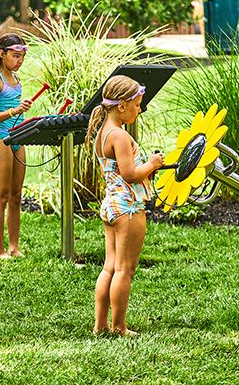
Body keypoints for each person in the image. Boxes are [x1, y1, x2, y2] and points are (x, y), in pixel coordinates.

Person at [85, 75, 164, 336]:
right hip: (127, 208)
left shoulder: (102, 133)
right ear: (121, 106)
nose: (139, 109)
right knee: (125, 269)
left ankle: (100, 325)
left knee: (110, 266)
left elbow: (119, 172)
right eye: (136, 104)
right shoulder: (119, 135)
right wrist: (151, 164)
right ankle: (118, 327)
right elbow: (130, 174)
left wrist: (146, 169)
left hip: (111, 205)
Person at [0, 33, 33, 259]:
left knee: (16, 196)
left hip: (18, 138)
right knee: (1, 196)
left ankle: (14, 247)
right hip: (2, 140)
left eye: (22, 56)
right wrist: (14, 111)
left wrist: (22, 110)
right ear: (2, 54)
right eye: (15, 56)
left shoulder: (16, 78)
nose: (19, 61)